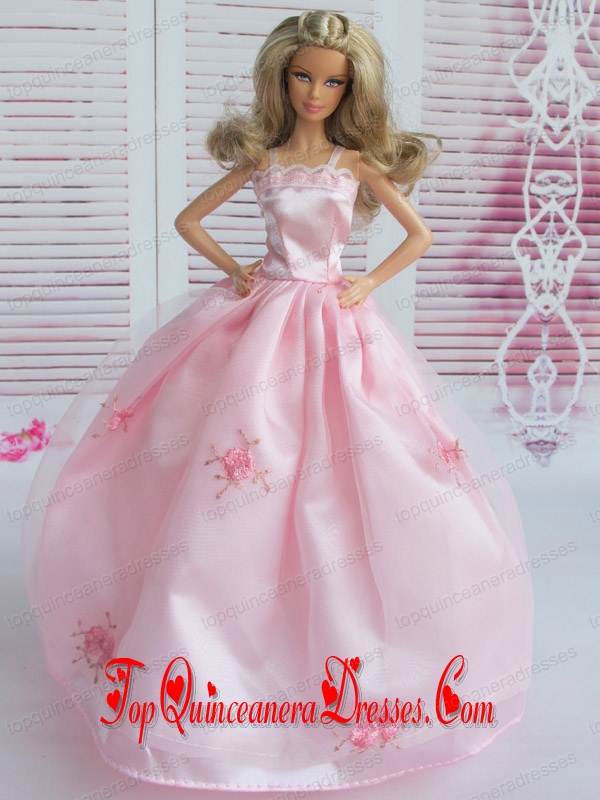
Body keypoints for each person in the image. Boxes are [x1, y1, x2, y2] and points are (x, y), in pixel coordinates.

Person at [20, 10, 533, 792]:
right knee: (229, 457)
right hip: (261, 320)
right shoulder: (263, 160)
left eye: (333, 81)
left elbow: (418, 235)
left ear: (351, 88)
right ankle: (215, 627)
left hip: (332, 316)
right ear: (280, 78)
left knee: (352, 462)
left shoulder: (353, 163)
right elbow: (188, 219)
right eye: (303, 77)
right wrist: (236, 270)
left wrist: (365, 281)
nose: (316, 92)